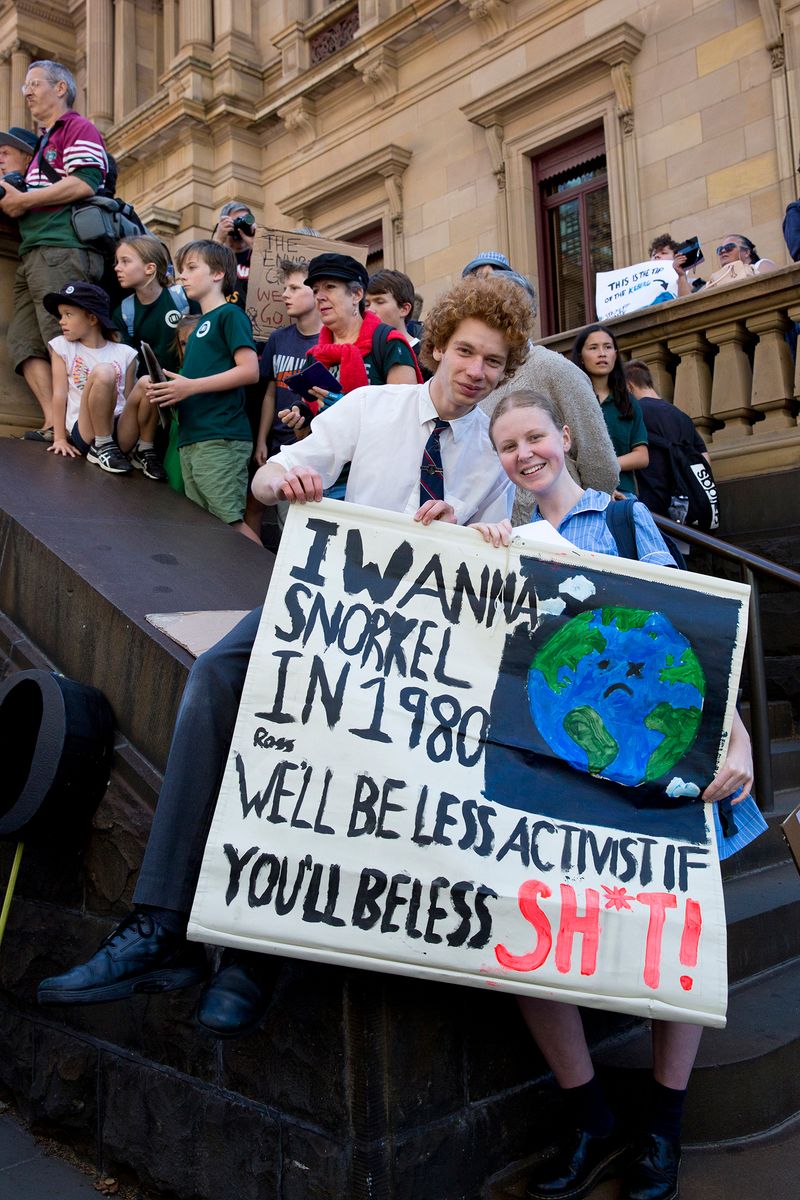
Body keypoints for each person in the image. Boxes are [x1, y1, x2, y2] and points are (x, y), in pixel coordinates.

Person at [36, 274, 534, 1038]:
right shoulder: (372, 407)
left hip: (406, 643)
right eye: (465, 351)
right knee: (216, 678)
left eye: (493, 362)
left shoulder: (495, 455)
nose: (475, 370)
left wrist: (469, 533)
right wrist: (289, 478)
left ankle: (254, 956)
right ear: (436, 346)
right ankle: (161, 923)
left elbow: (492, 563)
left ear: (506, 371)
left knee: (331, 749)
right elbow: (269, 479)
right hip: (321, 599)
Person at [471, 389, 754, 1200]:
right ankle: (590, 1118)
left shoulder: (626, 522)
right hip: (552, 768)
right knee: (528, 939)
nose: (524, 454)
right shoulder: (501, 541)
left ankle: (661, 1129)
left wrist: (731, 736)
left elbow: (691, 635)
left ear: (564, 436)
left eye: (534, 436)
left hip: (649, 758)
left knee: (676, 936)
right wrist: (456, 543)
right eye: (507, 446)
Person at [0, 60, 108, 442]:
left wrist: (25, 200)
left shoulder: (76, 127)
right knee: (23, 343)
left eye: (34, 84)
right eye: (24, 87)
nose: (26, 92)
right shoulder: (46, 139)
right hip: (34, 252)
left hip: (61, 248)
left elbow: (86, 181)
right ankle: (54, 422)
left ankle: (84, 433)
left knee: (64, 342)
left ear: (60, 88)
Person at [145, 239, 261, 541]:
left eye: (191, 268)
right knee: (206, 526)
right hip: (192, 438)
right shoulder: (196, 327)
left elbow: (250, 371)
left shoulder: (230, 315)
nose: (182, 276)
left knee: (230, 523)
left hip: (220, 437)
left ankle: (264, 583)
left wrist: (189, 387)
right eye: (181, 270)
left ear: (218, 273)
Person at [479, 278, 619, 524]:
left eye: (508, 311)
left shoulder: (556, 370)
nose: (498, 320)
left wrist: (582, 522)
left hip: (568, 535)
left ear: (527, 315)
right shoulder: (480, 378)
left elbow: (599, 463)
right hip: (504, 539)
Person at [112, 235, 193, 481]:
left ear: (150, 268)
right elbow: (127, 363)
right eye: (117, 261)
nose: (117, 267)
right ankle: (142, 450)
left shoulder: (181, 299)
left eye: (125, 261)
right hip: (147, 397)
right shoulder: (124, 312)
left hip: (185, 391)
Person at [44, 280, 138, 473]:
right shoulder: (62, 347)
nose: (62, 321)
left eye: (68, 314)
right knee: (104, 371)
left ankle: (144, 450)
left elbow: (129, 400)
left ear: (92, 319)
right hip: (87, 432)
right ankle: (101, 445)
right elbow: (59, 394)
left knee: (146, 384)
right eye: (61, 315)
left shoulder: (126, 353)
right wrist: (60, 438)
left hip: (119, 434)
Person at [622, 360, 710, 519]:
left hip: (655, 506)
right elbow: (704, 459)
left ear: (629, 386)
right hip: (686, 507)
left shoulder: (635, 413)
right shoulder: (681, 416)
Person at [571, 324, 648, 497]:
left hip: (624, 494)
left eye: (608, 347)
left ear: (615, 354)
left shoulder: (628, 402)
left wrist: (605, 467)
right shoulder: (572, 400)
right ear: (581, 356)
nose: (602, 353)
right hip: (581, 493)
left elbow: (642, 456)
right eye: (593, 348)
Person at [211, 199, 256, 308]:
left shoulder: (258, 254)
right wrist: (218, 240)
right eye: (236, 221)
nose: (241, 224)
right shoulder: (219, 255)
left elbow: (276, 277)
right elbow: (205, 272)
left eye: (245, 220)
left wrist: (258, 245)